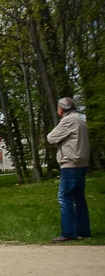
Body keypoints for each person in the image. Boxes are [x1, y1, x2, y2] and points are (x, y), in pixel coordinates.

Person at [47, 97, 90, 242]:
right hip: (82, 163)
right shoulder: (81, 119)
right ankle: (83, 231)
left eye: (58, 108)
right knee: (79, 198)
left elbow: (51, 137)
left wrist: (60, 139)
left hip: (70, 163)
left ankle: (69, 233)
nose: (58, 111)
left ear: (62, 109)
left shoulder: (68, 120)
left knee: (64, 197)